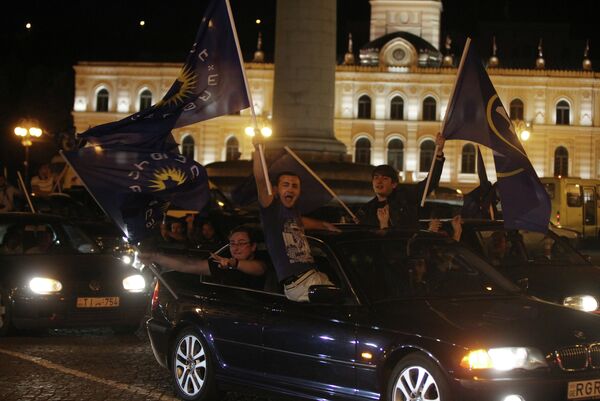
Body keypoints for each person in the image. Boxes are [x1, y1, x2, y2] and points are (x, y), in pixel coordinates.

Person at [252, 138, 339, 302]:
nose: (290, 188)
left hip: (312, 276)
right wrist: (258, 150)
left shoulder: (293, 213)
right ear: (277, 190)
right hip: (299, 284)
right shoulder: (271, 210)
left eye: (295, 185)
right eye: (286, 184)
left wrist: (325, 225)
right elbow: (261, 181)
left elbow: (301, 221)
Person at [357, 132, 446, 229]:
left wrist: (438, 154)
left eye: (385, 178)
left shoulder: (406, 197)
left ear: (394, 184)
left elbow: (430, 182)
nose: (379, 181)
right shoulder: (367, 209)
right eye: (376, 177)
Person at [140, 226, 267, 289]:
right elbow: (189, 265)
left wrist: (233, 263)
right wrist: (155, 257)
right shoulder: (222, 263)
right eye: (232, 243)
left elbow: (259, 268)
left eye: (242, 243)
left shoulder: (264, 260)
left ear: (253, 246)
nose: (236, 247)